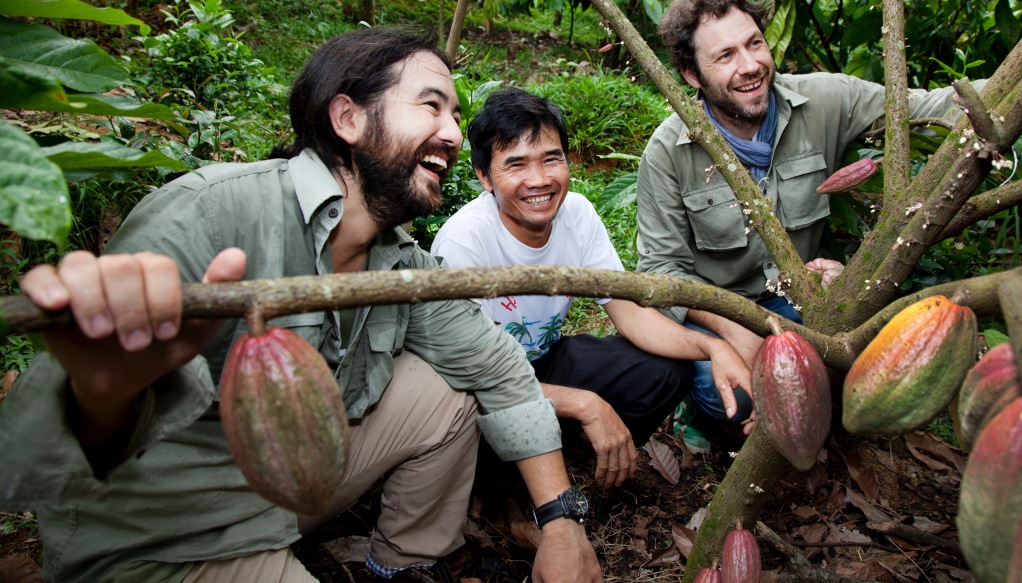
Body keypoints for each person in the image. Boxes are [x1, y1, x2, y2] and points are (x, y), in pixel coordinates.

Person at [0, 29, 602, 583]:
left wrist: (561, 521)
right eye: (431, 105)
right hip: (171, 536)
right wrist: (103, 392)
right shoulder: (211, 214)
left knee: (444, 390)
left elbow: (496, 368)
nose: (451, 131)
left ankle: (402, 566)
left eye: (454, 112)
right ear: (347, 117)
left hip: (290, 483)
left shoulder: (401, 262)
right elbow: (47, 454)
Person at [637, 0, 984, 433]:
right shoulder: (667, 152)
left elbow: (928, 106)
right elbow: (663, 269)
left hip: (802, 303)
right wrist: (734, 330)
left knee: (867, 372)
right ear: (691, 75)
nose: (750, 66)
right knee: (730, 398)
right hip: (724, 316)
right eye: (725, 56)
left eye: (755, 43)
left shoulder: (825, 99)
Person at [431, 87, 754, 484]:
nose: (539, 180)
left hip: (543, 362)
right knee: (473, 426)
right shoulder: (464, 242)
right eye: (516, 166)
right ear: (485, 177)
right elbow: (479, 381)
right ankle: (509, 490)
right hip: (481, 388)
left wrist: (711, 346)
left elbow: (630, 312)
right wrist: (585, 403)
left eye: (552, 159)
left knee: (666, 369)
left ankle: (580, 455)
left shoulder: (577, 214)